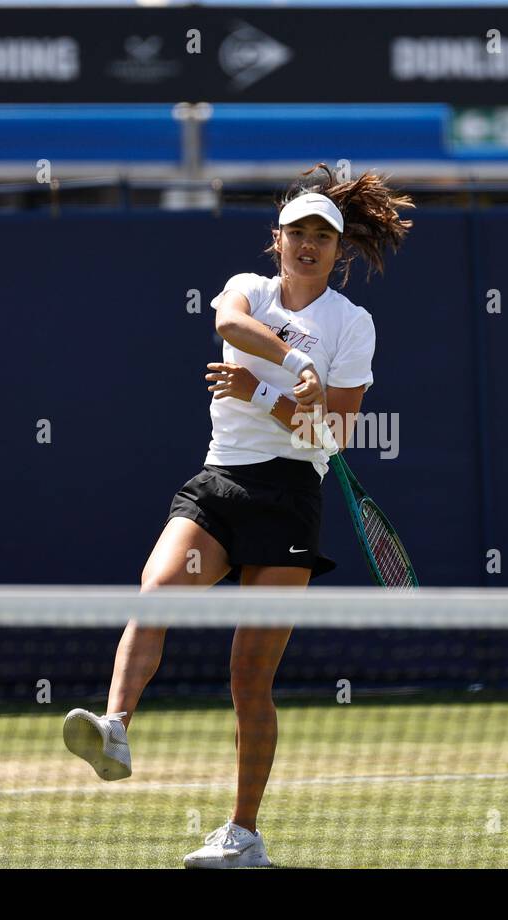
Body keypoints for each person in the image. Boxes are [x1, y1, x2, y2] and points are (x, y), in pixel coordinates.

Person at [63, 163, 413, 867]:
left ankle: (243, 834)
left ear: (338, 251)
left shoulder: (352, 325)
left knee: (248, 677)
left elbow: (330, 438)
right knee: (155, 592)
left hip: (289, 498)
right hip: (220, 481)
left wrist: (265, 394)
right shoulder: (246, 292)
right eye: (297, 233)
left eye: (323, 236)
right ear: (276, 240)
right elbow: (228, 323)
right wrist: (292, 364)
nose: (308, 245)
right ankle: (115, 727)